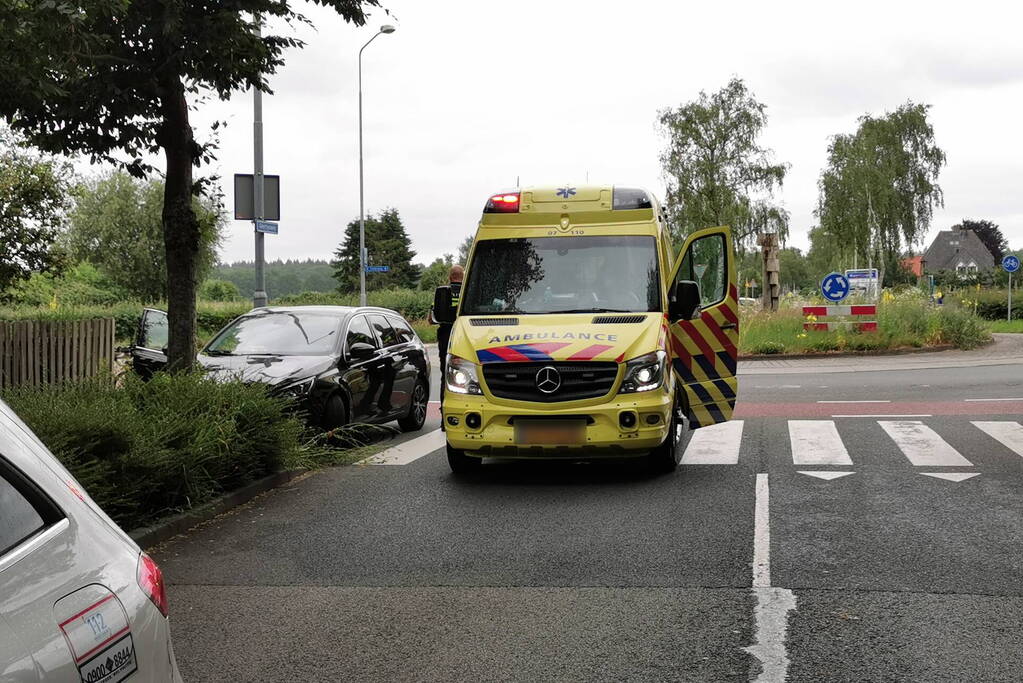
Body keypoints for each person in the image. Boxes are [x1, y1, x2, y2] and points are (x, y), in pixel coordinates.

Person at [434, 265, 464, 399]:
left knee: (444, 373)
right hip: (462, 335)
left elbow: (432, 318)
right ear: (463, 277)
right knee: (463, 372)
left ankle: (443, 406)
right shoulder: (468, 291)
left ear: (450, 277)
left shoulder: (442, 292)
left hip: (445, 335)